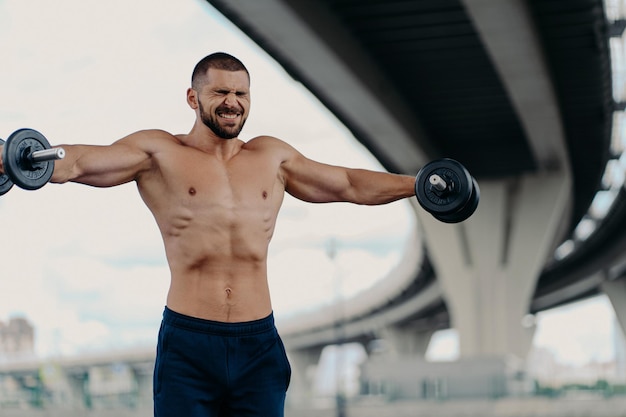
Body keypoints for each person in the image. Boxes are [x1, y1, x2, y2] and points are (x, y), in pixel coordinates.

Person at [0, 52, 417, 416]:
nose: (232, 103)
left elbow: (347, 183)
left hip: (259, 344)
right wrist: (19, 160)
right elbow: (81, 162)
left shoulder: (273, 157)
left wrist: (419, 184)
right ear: (193, 98)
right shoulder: (158, 153)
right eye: (220, 93)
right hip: (189, 344)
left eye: (241, 94)